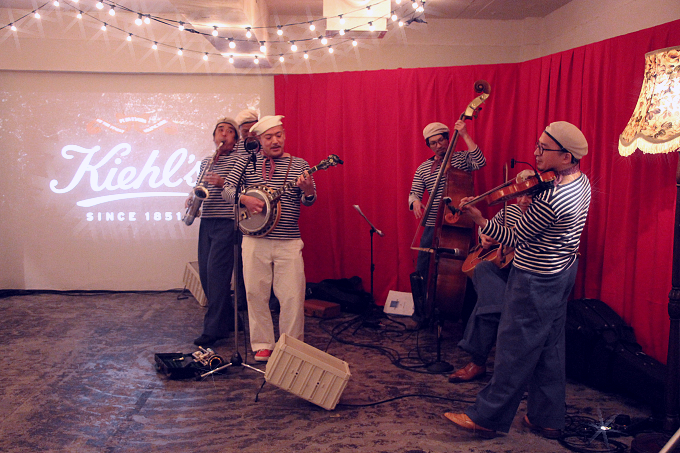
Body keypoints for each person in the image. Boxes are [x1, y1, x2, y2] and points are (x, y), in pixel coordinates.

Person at [443, 121, 591, 439]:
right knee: (550, 347)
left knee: (514, 349)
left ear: (566, 157)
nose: (535, 153)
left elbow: (513, 237)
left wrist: (480, 219)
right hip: (562, 271)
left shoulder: (553, 200)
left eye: (544, 149)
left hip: (535, 279)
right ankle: (546, 417)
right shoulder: (581, 181)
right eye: (537, 144)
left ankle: (488, 418)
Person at [222, 115, 316, 362]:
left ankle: (291, 345)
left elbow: (309, 200)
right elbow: (227, 190)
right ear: (259, 140)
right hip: (254, 240)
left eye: (279, 135)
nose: (275, 141)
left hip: (288, 240)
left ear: (284, 136)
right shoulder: (245, 162)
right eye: (269, 137)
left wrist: (308, 190)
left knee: (292, 296)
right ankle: (263, 343)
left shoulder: (299, 164)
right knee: (255, 293)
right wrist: (244, 199)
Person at [448, 172, 533, 383]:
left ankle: (477, 361)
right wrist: (484, 237)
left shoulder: (540, 215)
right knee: (482, 269)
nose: (523, 200)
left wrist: (512, 245)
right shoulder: (509, 211)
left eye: (529, 195)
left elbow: (524, 242)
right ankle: (497, 309)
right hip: (501, 271)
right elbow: (487, 232)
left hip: (524, 276)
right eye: (519, 195)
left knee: (489, 302)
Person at [190, 118, 249, 347]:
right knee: (206, 276)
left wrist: (222, 182)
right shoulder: (206, 161)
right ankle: (231, 320)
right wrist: (192, 198)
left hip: (228, 221)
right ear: (214, 136)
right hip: (207, 220)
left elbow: (243, 191)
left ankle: (213, 330)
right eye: (220, 130)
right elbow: (199, 187)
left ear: (236, 139)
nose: (224, 134)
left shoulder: (240, 159)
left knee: (217, 276)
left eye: (229, 131)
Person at [409, 120, 486, 287]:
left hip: (458, 223)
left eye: (441, 140)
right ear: (428, 145)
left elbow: (480, 162)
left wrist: (465, 134)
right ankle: (424, 302)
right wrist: (415, 201)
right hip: (432, 223)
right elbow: (414, 192)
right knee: (424, 266)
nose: (438, 146)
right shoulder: (423, 168)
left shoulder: (462, 158)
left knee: (459, 267)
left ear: (447, 139)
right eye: (433, 143)